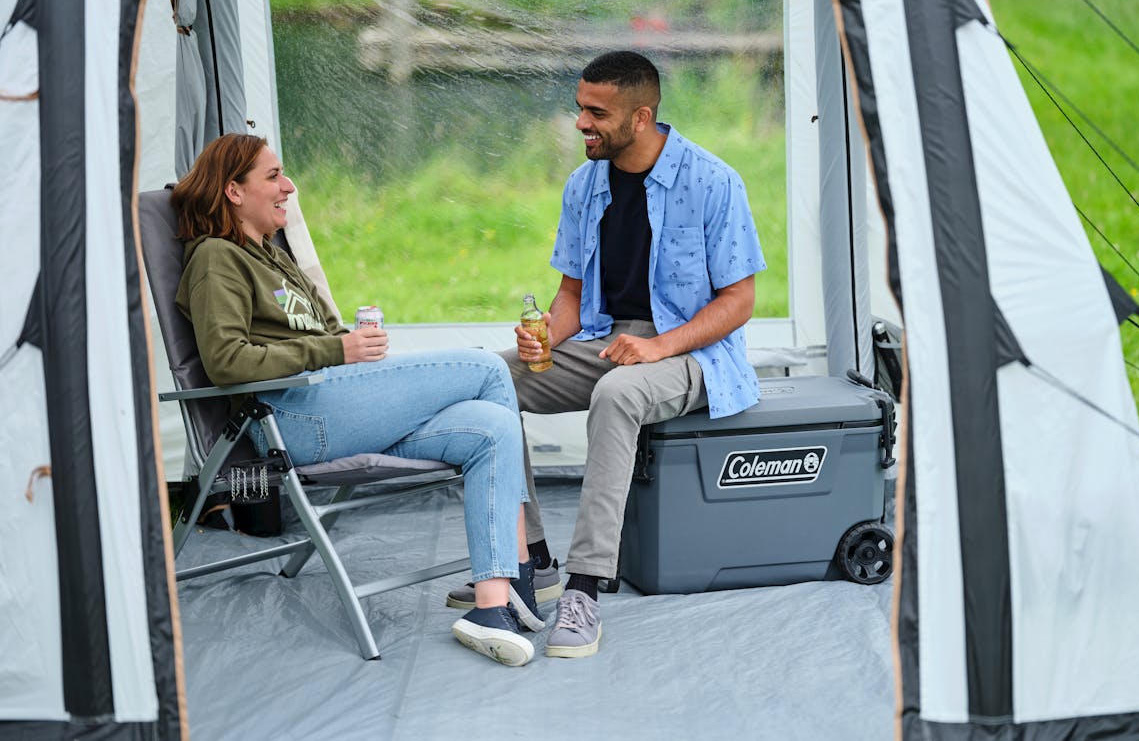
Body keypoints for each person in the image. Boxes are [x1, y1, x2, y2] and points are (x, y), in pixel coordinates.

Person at [172, 132, 543, 667]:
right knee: (486, 367)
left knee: (493, 427)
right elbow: (226, 359)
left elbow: (318, 335)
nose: (289, 186)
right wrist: (336, 347)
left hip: (336, 405)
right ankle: (522, 569)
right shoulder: (216, 258)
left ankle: (490, 605)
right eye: (273, 176)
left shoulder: (272, 256)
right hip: (292, 416)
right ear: (233, 190)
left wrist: (350, 342)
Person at [445, 51, 766, 657]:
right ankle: (528, 560)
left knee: (616, 393)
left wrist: (659, 345)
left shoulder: (713, 181)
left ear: (641, 117)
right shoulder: (584, 184)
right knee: (492, 379)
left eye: (596, 113)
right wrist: (547, 337)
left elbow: (740, 300)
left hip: (693, 353)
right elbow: (569, 295)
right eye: (579, 109)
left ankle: (586, 588)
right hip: (607, 340)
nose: (580, 124)